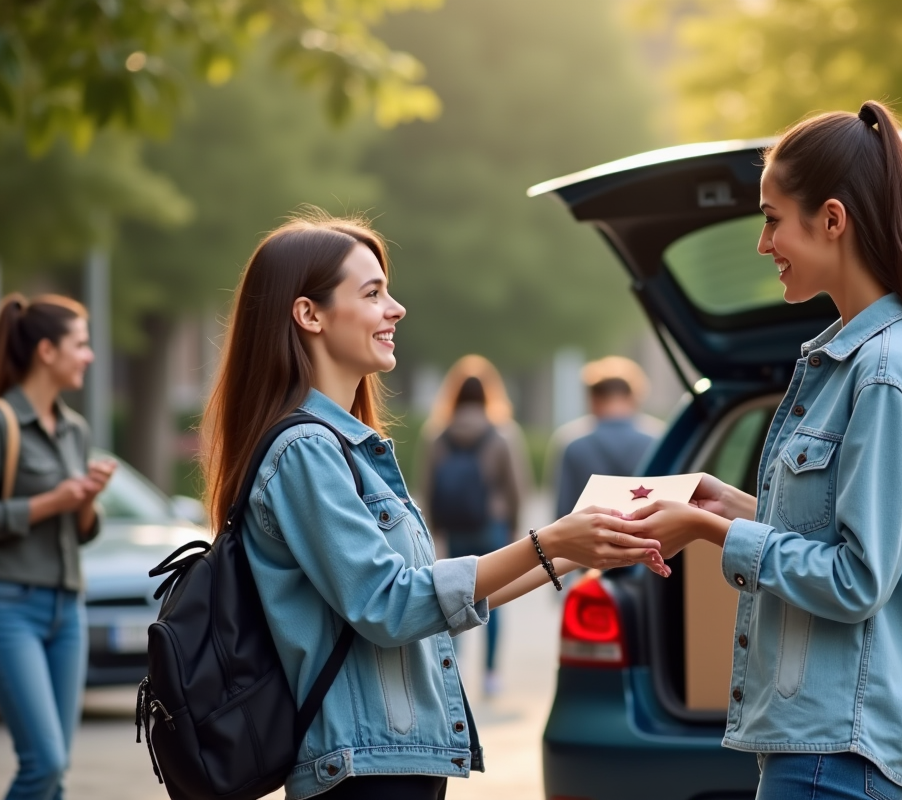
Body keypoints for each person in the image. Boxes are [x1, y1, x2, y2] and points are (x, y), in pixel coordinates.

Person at [199, 211, 666, 800]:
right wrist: (550, 542)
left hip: (393, 763)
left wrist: (586, 546)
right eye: (373, 294)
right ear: (309, 314)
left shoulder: (346, 448)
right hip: (363, 771)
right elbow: (389, 606)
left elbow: (440, 601)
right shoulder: (306, 452)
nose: (395, 309)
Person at [623, 101, 902, 800]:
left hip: (836, 755)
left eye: (771, 218)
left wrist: (712, 530)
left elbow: (857, 579)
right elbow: (824, 527)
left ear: (832, 219)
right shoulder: (862, 359)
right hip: (822, 747)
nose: (763, 245)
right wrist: (721, 501)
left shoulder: (885, 371)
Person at [0, 294, 117, 800]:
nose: (90, 356)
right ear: (47, 352)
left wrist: (85, 501)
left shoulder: (75, 430)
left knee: (57, 767)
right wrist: (50, 502)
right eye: (81, 344)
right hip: (5, 606)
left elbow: (82, 531)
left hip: (66, 608)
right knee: (44, 761)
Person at [421, 358, 529, 697]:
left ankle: (456, 668)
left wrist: (434, 531)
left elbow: (428, 486)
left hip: (455, 527)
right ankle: (491, 674)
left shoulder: (438, 434)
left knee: (456, 597)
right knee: (492, 597)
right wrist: (513, 527)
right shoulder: (501, 434)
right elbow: (515, 486)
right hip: (490, 525)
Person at [548, 356, 663, 519]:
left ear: (593, 399)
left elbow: (563, 510)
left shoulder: (571, 442)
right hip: (648, 540)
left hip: (587, 539)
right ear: (634, 397)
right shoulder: (658, 439)